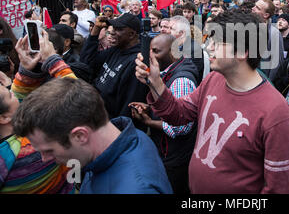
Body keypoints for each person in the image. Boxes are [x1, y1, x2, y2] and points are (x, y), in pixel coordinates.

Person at [135, 10, 289, 193]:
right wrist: (155, 82)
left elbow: (278, 188)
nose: (209, 47)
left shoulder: (276, 113)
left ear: (243, 51)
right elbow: (179, 114)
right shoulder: (213, 80)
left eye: (217, 43)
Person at [12, 76, 172, 194]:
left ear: (80, 136)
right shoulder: (122, 136)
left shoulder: (135, 189)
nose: (44, 159)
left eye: (49, 150)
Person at [0, 34, 75, 194]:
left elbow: (20, 100)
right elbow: (77, 101)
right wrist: (53, 60)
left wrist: (27, 71)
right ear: (4, 118)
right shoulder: (37, 145)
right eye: (9, 94)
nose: (13, 90)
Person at [131, 34, 198, 194]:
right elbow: (169, 104)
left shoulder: (180, 80)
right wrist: (150, 108)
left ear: (173, 52)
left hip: (175, 157)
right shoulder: (167, 72)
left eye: (156, 51)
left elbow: (181, 127)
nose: (151, 56)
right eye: (150, 50)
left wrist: (149, 122)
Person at [80, 13, 148, 120]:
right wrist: (95, 31)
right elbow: (86, 63)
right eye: (113, 28)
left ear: (131, 34)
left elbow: (129, 106)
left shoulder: (136, 62)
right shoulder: (116, 49)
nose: (112, 32)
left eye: (118, 29)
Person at [252, 0, 285, 82]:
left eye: (257, 8)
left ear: (266, 15)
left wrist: (267, 83)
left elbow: (277, 63)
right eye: (254, 6)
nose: (253, 8)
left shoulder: (274, 33)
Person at [170, 16, 204, 84]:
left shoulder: (194, 49)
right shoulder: (174, 45)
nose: (168, 31)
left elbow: (190, 74)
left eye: (171, 29)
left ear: (181, 32)